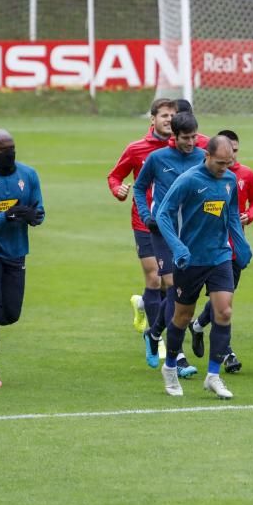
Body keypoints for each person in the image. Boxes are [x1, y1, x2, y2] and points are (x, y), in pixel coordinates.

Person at [155, 135, 252, 399]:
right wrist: (178, 247)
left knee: (224, 311)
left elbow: (232, 213)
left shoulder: (230, 180)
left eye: (229, 163)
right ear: (206, 156)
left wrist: (241, 243)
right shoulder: (188, 180)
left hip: (220, 256)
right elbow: (162, 213)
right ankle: (171, 367)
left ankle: (213, 375)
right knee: (182, 317)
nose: (225, 169)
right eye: (220, 163)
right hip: (190, 260)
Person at [0, 129, 45, 387]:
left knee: (10, 314)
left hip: (16, 251)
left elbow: (39, 208)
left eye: (12, 149)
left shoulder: (28, 175)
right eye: (3, 151)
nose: (9, 155)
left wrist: (33, 217)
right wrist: (5, 217)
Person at [133, 111, 204, 376]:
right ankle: (178, 357)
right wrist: (146, 215)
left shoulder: (201, 157)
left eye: (195, 136)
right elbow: (139, 188)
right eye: (186, 137)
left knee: (184, 293)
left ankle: (153, 334)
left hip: (191, 233)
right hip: (163, 231)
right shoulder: (157, 158)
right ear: (174, 136)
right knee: (173, 287)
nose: (192, 142)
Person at [189, 129, 253, 373]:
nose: (230, 157)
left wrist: (249, 215)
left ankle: (199, 325)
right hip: (206, 250)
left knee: (224, 301)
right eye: (225, 153)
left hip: (233, 251)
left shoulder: (245, 175)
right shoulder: (202, 177)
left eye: (234, 152)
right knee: (220, 304)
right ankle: (226, 353)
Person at [107, 98, 176, 334]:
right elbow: (114, 177)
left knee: (172, 283)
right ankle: (157, 340)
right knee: (155, 277)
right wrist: (118, 190)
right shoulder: (136, 149)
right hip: (145, 220)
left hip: (177, 222)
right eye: (164, 115)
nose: (169, 120)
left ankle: (145, 304)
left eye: (172, 115)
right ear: (153, 119)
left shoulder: (185, 147)